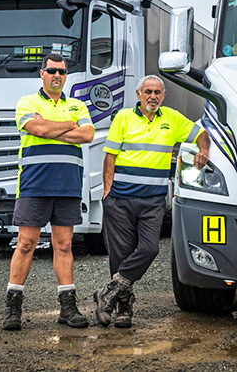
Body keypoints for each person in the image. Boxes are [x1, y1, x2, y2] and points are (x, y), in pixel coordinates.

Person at [96, 75, 210, 328]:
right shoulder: (124, 118)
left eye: (158, 92)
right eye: (148, 91)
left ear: (163, 95)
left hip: (153, 201)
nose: (153, 96)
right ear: (139, 95)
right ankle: (124, 308)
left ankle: (107, 293)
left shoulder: (172, 118)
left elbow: (202, 134)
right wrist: (107, 194)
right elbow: (109, 158)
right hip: (120, 200)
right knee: (120, 254)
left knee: (150, 249)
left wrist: (204, 150)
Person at [1, 53, 95, 331]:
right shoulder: (27, 102)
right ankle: (13, 307)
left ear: (67, 76)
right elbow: (36, 127)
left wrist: (51, 129)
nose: (57, 76)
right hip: (34, 185)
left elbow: (87, 135)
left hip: (67, 186)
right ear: (42, 73)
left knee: (64, 245)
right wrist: (68, 125)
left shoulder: (78, 104)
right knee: (26, 244)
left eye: (62, 72)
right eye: (52, 71)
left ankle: (67, 307)